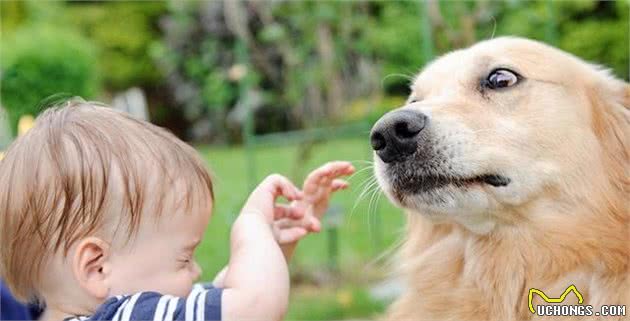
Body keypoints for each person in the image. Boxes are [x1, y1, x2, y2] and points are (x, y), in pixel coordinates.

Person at [0, 99, 354, 321]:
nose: (196, 269)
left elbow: (218, 296)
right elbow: (255, 306)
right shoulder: (124, 315)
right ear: (97, 266)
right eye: (184, 259)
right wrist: (252, 226)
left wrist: (272, 245)